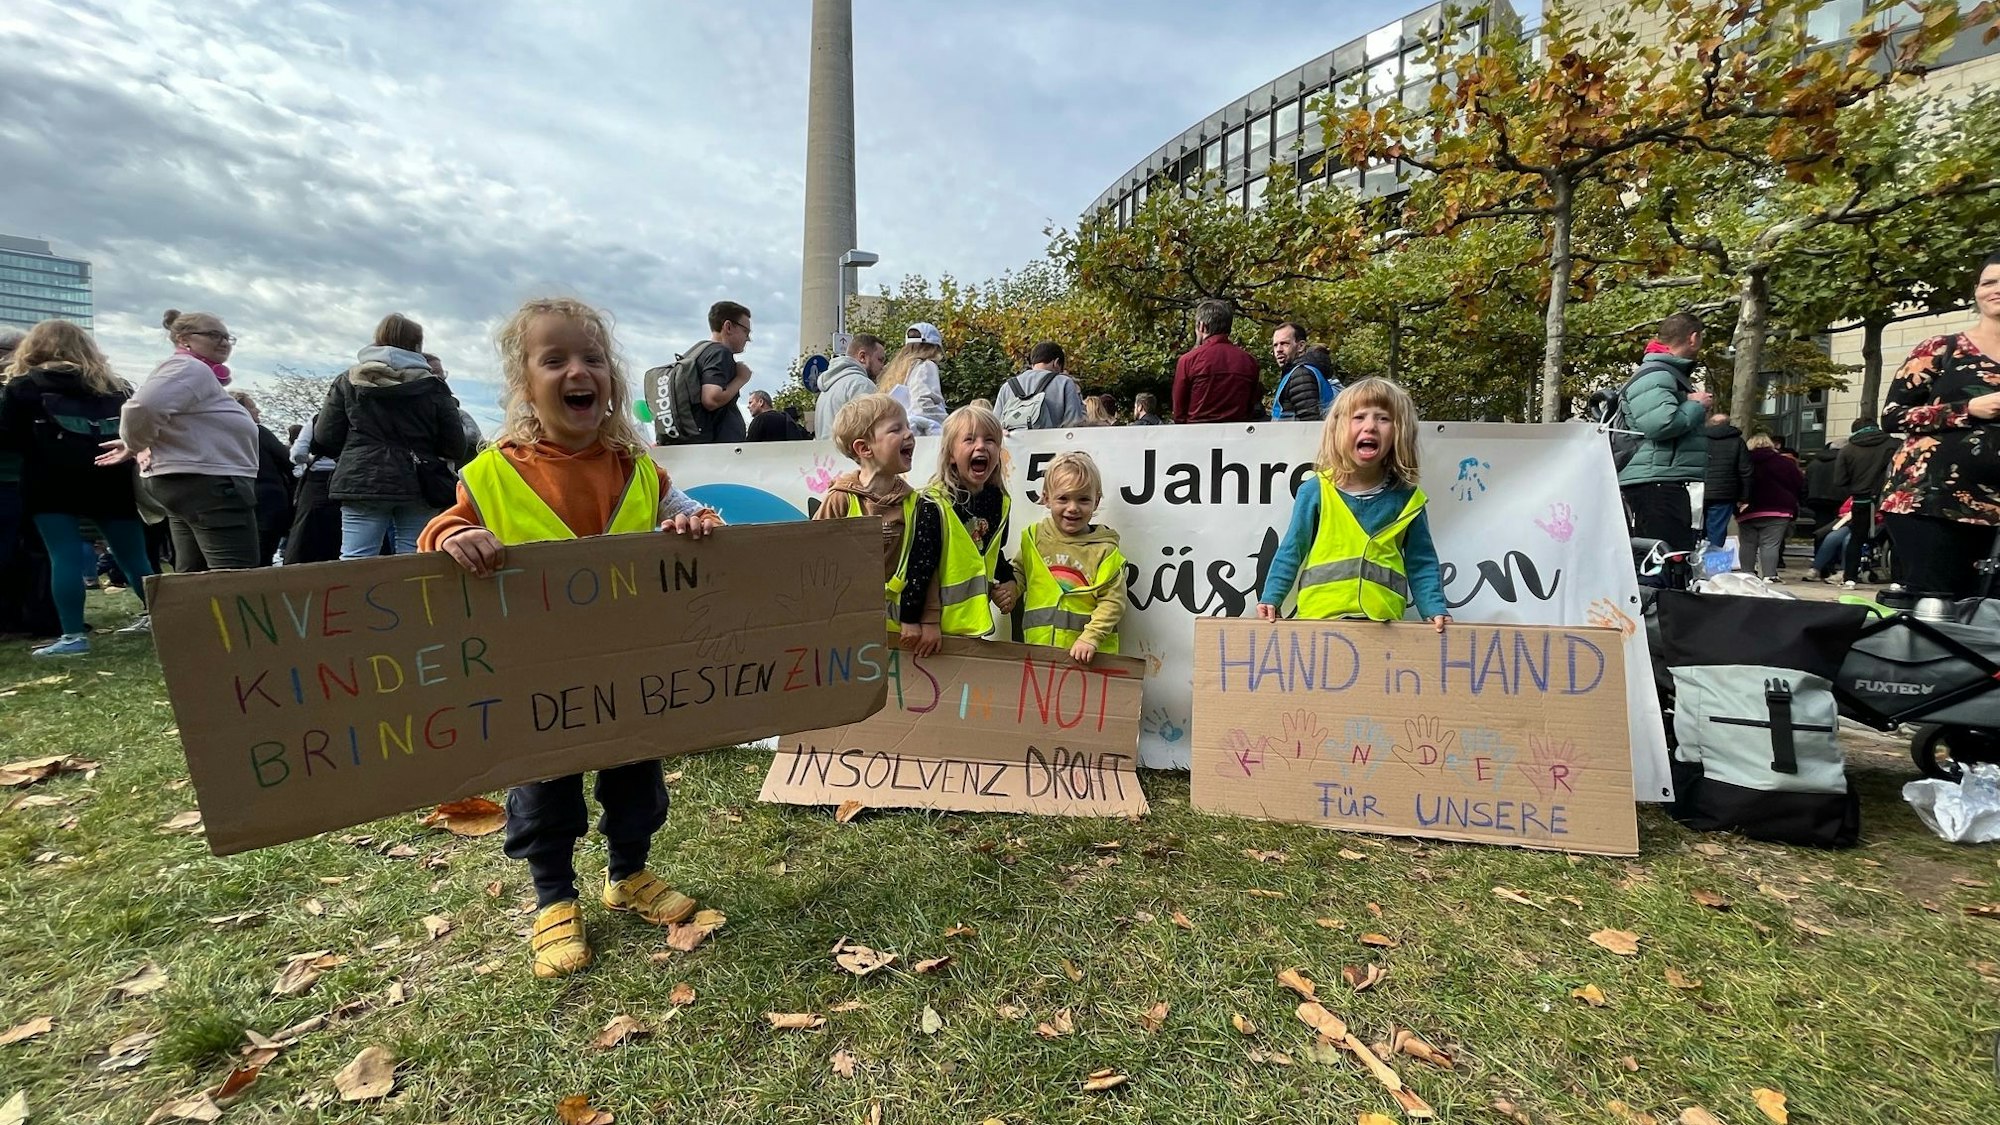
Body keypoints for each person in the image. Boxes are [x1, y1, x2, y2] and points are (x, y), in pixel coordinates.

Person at [420, 296, 721, 979]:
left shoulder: (637, 467)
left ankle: (628, 872)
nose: (576, 370)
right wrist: (456, 535)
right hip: (538, 676)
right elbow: (436, 531)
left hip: (628, 672)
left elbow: (684, 512)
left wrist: (696, 521)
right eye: (553, 359)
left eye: (591, 358)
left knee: (636, 782)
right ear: (526, 383)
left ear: (609, 380)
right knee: (545, 791)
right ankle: (553, 898)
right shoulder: (494, 470)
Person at [0, 320, 157, 655]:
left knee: (64, 556)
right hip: (110, 474)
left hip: (48, 479)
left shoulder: (23, 386)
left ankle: (73, 637)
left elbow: (11, 437)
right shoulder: (117, 387)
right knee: (132, 556)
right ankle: (160, 617)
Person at [1257, 378, 1448, 631]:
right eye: (1358, 417)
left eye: (1383, 418)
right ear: (1338, 428)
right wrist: (1272, 597)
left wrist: (1434, 608)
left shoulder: (1408, 499)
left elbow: (1421, 561)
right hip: (1318, 621)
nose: (1370, 426)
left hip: (1385, 627)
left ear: (1399, 431)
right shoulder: (1315, 491)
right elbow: (1292, 549)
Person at [104, 309, 261, 572]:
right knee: (236, 575)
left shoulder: (194, 372)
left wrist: (137, 441)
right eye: (213, 335)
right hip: (209, 484)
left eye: (227, 337)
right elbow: (142, 407)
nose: (223, 342)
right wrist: (134, 443)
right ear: (184, 339)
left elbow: (168, 418)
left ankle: (183, 614)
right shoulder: (190, 367)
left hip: (190, 481)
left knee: (192, 574)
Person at [1882, 255, 2000, 597]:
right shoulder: (1940, 348)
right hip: (1931, 501)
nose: (1996, 290)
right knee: (1937, 606)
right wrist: (1968, 409)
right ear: (1976, 292)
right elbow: (1892, 415)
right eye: (1988, 282)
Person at [314, 313, 469, 558]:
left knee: (356, 558)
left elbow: (325, 436)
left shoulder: (349, 381)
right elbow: (454, 445)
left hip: (361, 478)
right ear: (417, 345)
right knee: (415, 558)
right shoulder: (433, 386)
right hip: (419, 480)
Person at [813, 393, 932, 647]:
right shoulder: (839, 500)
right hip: (847, 629)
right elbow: (813, 559)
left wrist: (927, 619)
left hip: (901, 633)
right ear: (864, 448)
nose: (909, 434)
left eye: (908, 426)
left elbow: (927, 565)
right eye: (896, 429)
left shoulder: (916, 503)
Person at [910, 405, 1017, 644]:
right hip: (930, 633)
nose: (981, 446)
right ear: (950, 454)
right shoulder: (933, 504)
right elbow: (920, 570)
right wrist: (925, 622)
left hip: (969, 630)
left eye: (990, 440)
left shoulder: (1000, 502)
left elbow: (989, 554)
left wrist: (1010, 581)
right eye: (969, 440)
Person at [1617, 313, 1711, 558]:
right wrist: (1696, 405)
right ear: (1693, 338)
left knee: (1665, 556)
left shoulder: (1661, 374)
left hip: (1657, 478)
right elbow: (1660, 425)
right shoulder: (1658, 375)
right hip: (1656, 482)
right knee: (1665, 557)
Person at [1018, 451, 1125, 664]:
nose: (1073, 508)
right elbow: (1020, 572)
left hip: (1089, 660)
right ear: (1047, 498)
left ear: (1096, 502)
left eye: (1083, 499)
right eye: (1063, 498)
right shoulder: (1034, 538)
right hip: (1038, 655)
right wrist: (1009, 591)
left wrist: (1090, 638)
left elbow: (1113, 601)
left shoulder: (1105, 550)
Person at [227, 390, 295, 566]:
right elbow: (288, 462)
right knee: (264, 552)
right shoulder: (258, 433)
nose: (258, 411)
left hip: (235, 497)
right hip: (268, 499)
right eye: (253, 407)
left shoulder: (223, 437)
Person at [1831, 415, 1898, 588]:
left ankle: (1850, 578)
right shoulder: (1894, 444)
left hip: (1861, 500)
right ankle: (1899, 580)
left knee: (1856, 538)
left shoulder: (1848, 450)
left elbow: (1839, 481)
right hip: (1889, 499)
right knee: (1895, 538)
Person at [1173, 299, 1262, 424]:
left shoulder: (1188, 360)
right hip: (1236, 434)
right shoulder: (1250, 361)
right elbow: (1251, 406)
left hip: (1196, 433)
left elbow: (1179, 412)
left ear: (1202, 326)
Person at [1736, 433, 1805, 581]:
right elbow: (1799, 484)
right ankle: (1769, 575)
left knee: (1747, 543)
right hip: (1778, 508)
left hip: (1747, 508)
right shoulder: (1785, 462)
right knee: (1770, 544)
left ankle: (1747, 574)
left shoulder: (1743, 462)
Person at [692, 300, 753, 443]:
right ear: (728, 327)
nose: (748, 339)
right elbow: (711, 399)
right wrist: (741, 378)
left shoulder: (697, 352)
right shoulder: (720, 352)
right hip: (719, 449)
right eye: (745, 331)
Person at [285, 414, 342, 565]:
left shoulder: (319, 418)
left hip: (318, 483)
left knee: (305, 540)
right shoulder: (365, 415)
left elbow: (298, 454)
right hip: (352, 480)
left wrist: (311, 459)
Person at [995, 341, 1086, 430]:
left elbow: (994, 426)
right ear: (1056, 363)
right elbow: (1074, 425)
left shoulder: (1007, 387)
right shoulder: (1064, 383)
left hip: (1014, 444)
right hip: (1052, 444)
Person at [812, 333, 885, 441]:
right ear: (862, 357)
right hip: (849, 456)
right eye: (880, 360)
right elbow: (870, 431)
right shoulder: (861, 384)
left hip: (826, 456)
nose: (882, 367)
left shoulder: (826, 388)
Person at [879, 323, 949, 435]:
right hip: (922, 435)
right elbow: (924, 404)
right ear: (935, 347)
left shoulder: (897, 369)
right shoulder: (926, 366)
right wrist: (948, 425)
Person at [1700, 412, 1752, 547]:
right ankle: (1712, 564)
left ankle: (1693, 561)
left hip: (1698, 489)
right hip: (1724, 493)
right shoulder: (1737, 442)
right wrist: (1744, 497)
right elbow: (1746, 471)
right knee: (1717, 530)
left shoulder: (1699, 439)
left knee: (1694, 527)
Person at [1270, 322, 1339, 422]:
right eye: (1275, 345)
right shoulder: (1303, 370)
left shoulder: (1301, 374)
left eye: (1284, 343)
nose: (1278, 350)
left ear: (1301, 346)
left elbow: (1309, 423)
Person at [425, 352, 485, 463]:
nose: (440, 378)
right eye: (434, 373)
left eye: (441, 373)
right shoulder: (413, 413)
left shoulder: (459, 413)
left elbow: (476, 441)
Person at [1803, 437, 1844, 538]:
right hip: (1838, 499)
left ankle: (1820, 551)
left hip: (1816, 499)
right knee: (1836, 529)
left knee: (1820, 529)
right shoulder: (1843, 461)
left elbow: (1805, 483)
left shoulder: (1814, 463)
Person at [746, 390, 810, 441]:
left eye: (750, 402)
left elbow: (748, 447)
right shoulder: (788, 419)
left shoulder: (760, 420)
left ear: (761, 402)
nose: (748, 406)